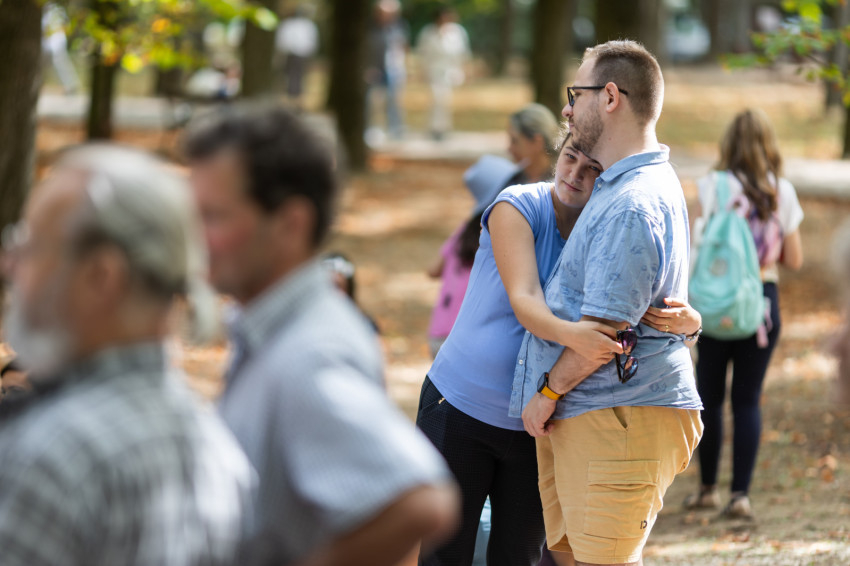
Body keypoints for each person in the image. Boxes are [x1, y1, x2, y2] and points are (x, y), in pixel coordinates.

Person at [184, 104, 459, 566]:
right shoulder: (275, 330)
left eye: (214, 216)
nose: (194, 235)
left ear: (290, 224)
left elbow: (419, 503)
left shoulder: (309, 353)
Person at [417, 128, 702, 566]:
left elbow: (639, 305)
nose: (575, 174)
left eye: (593, 168)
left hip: (539, 425)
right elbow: (526, 300)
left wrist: (691, 324)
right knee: (444, 555)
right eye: (570, 157)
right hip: (459, 408)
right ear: (557, 154)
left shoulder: (610, 227)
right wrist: (578, 336)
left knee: (518, 557)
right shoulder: (516, 205)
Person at [0, 144, 253, 565]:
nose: (9, 266)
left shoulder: (52, 460)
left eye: (31, 247)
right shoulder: (216, 451)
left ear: (101, 276)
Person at [514, 40, 704, 566]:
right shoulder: (625, 183)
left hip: (617, 415)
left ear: (611, 97)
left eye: (575, 94)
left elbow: (604, 336)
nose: (567, 110)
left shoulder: (632, 202)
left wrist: (547, 392)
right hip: (594, 414)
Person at [686, 109, 804, 520]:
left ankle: (706, 489)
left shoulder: (711, 186)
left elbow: (693, 244)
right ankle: (740, 496)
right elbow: (795, 259)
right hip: (760, 304)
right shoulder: (780, 191)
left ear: (728, 144)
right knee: (747, 399)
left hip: (713, 302)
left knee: (709, 397)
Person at [427, 103, 561, 357]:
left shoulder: (562, 186)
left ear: (536, 141)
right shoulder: (510, 184)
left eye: (514, 140)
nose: (509, 149)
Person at [416, 7, 470, 141]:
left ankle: (444, 128)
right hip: (434, 70)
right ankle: (434, 128)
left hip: (451, 71)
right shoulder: (428, 32)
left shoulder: (457, 32)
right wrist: (423, 71)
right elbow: (423, 53)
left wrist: (462, 70)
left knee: (446, 101)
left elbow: (463, 53)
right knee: (436, 98)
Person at [365, 0, 409, 143]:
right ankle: (372, 130)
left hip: (394, 69)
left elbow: (403, 47)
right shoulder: (369, 28)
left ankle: (395, 130)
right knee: (373, 101)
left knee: (394, 100)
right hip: (374, 69)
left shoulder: (399, 27)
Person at [275, 5, 319, 110]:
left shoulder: (306, 25)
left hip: (300, 54)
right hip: (292, 54)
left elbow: (312, 41)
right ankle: (291, 99)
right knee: (291, 76)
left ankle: (297, 100)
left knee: (298, 77)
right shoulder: (290, 24)